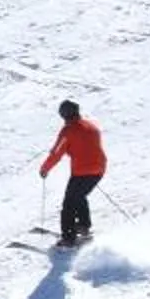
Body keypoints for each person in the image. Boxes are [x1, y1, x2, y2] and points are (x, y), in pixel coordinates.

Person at [40, 100, 107, 247]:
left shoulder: (68, 131)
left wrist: (45, 168)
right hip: (99, 169)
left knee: (69, 204)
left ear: (64, 115)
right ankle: (83, 226)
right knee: (79, 196)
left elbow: (56, 153)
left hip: (82, 172)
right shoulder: (92, 126)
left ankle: (68, 238)